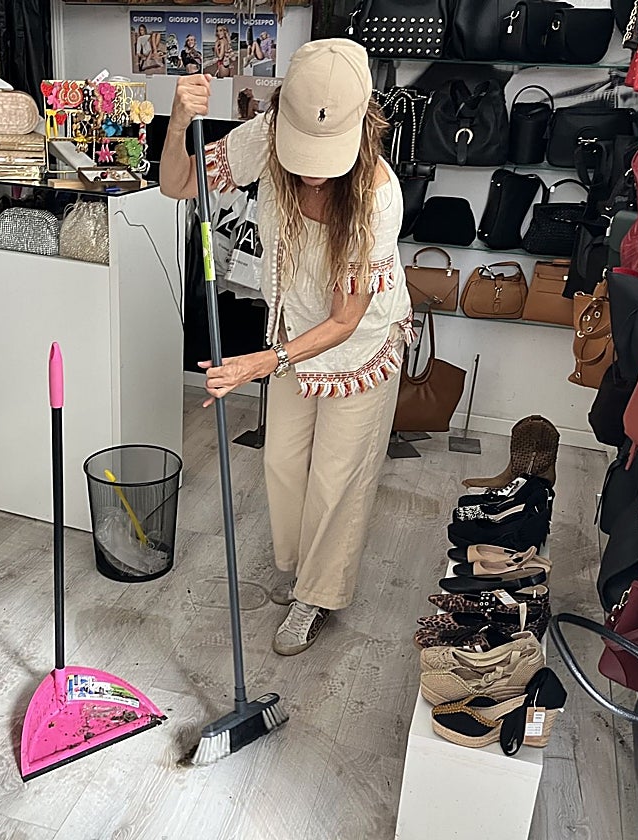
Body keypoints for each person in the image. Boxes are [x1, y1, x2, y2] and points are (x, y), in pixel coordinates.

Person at [159, 40, 412, 656]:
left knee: (336, 479)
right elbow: (177, 185)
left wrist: (260, 362)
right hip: (292, 332)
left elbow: (347, 318)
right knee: (281, 463)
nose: (312, 171)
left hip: (358, 348)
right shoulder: (267, 138)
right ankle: (301, 571)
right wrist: (180, 121)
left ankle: (316, 594)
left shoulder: (378, 196)